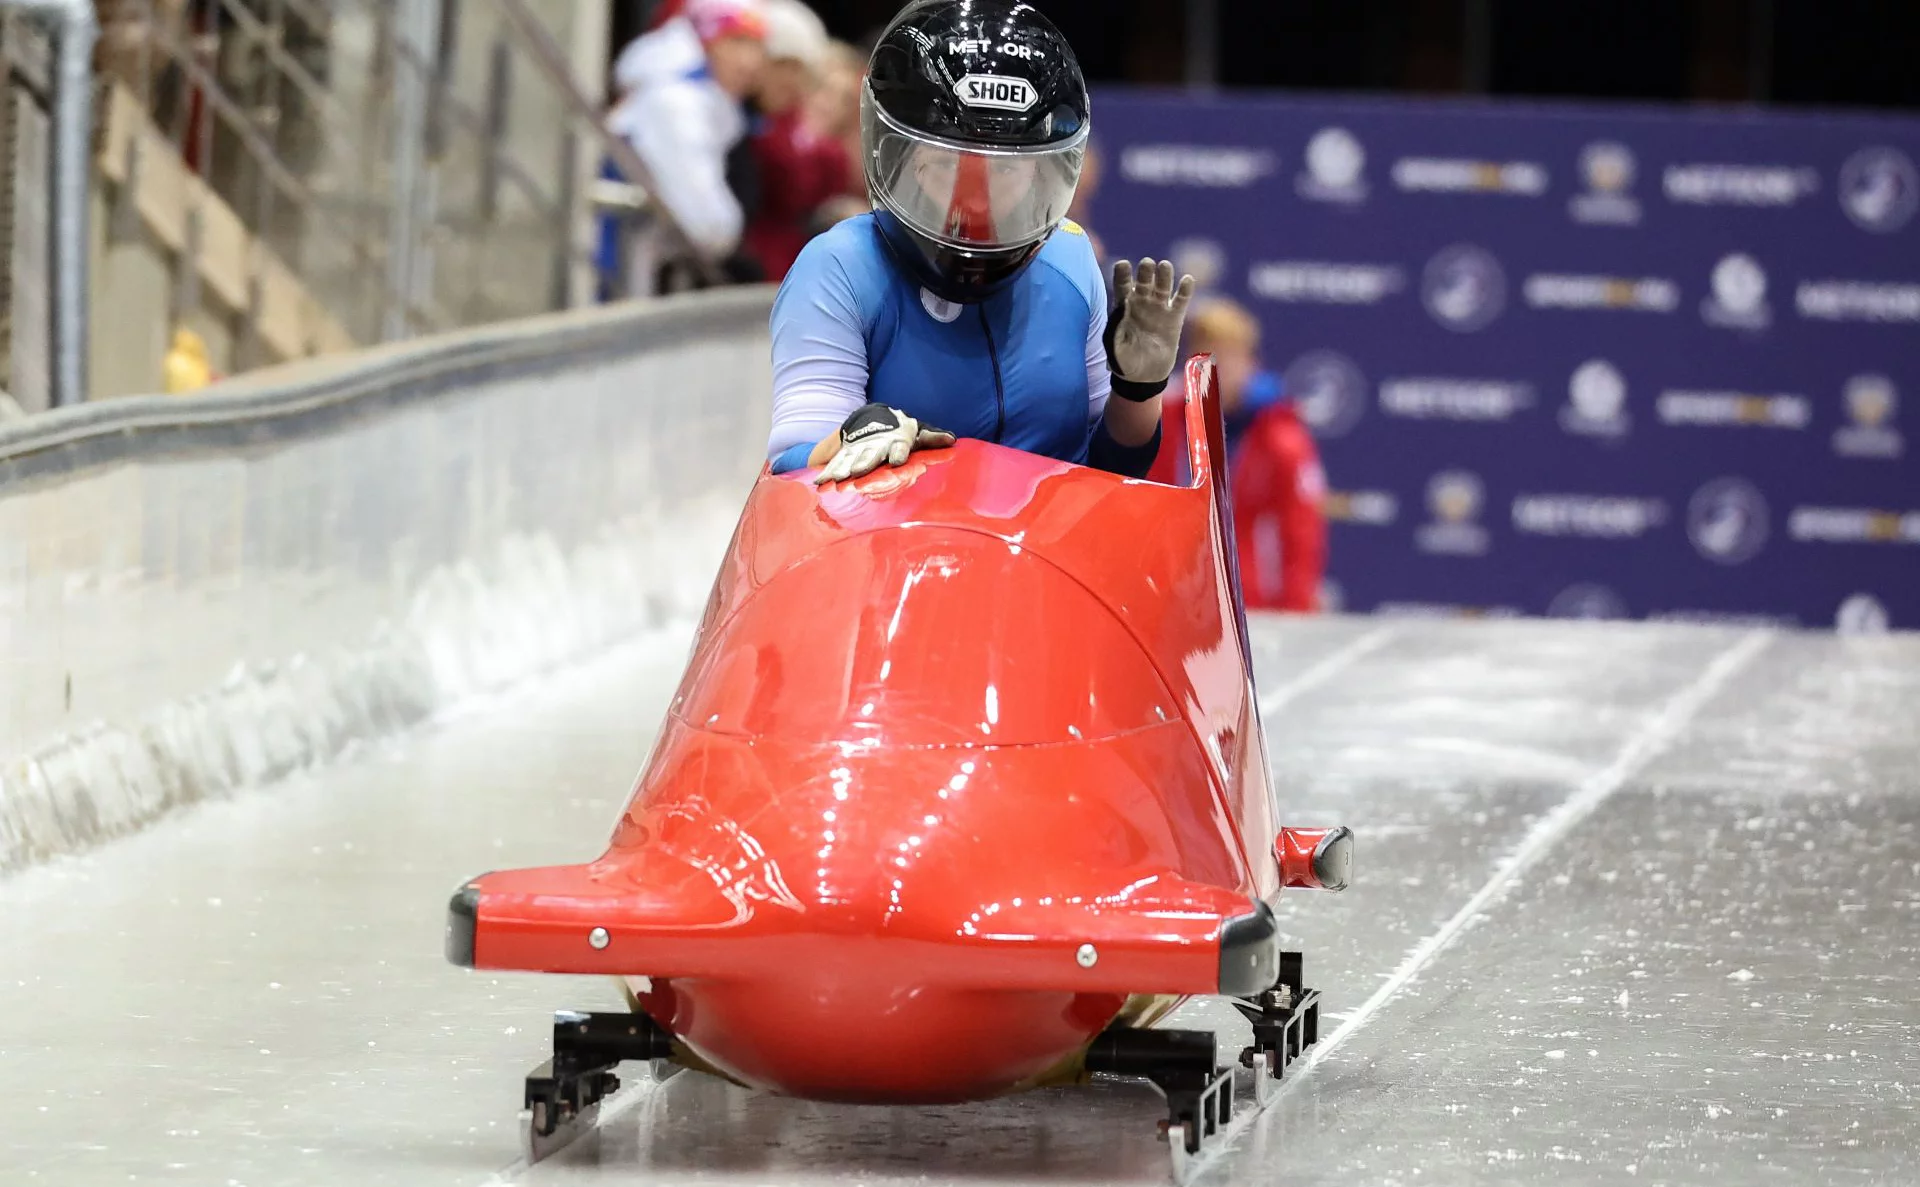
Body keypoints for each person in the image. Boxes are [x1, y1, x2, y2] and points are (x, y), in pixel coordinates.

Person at [765, 0, 1194, 485]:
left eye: (1005, 169)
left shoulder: (1071, 260)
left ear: (1043, 173)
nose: (975, 202)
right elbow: (794, 469)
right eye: (946, 165)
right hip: (898, 553)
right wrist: (852, 441)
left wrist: (1138, 390)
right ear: (897, 157)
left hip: (1054, 556)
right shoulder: (840, 267)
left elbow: (1108, 473)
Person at [1147, 298, 1328, 612]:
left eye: (1229, 357)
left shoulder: (1281, 437)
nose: (1218, 369)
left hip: (1251, 605)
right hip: (1171, 599)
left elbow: (1301, 531)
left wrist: (1296, 610)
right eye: (1206, 356)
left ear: (1251, 363)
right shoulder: (1164, 422)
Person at [606, 0, 770, 292]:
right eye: (736, 42)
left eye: (757, 45)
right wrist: (727, 235)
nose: (750, 61)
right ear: (705, 43)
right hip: (618, 264)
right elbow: (705, 222)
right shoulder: (674, 103)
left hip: (642, 263)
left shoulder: (708, 107)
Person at [740, 3, 863, 280]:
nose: (830, 103)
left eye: (843, 98)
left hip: (801, 264)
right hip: (757, 256)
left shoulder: (838, 158)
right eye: (825, 89)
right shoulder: (768, 124)